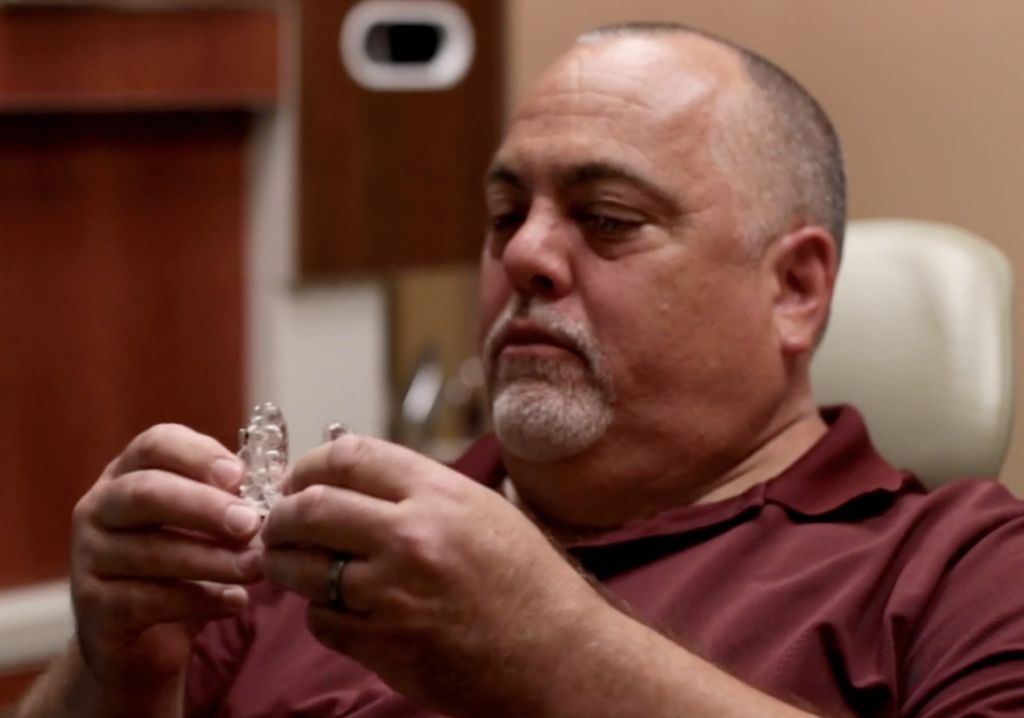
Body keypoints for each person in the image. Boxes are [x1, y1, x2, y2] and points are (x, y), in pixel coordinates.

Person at [13, 21, 1024, 718]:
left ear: (795, 287)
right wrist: (112, 677)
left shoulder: (961, 571)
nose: (523, 256)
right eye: (504, 216)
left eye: (606, 218)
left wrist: (551, 652)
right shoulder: (346, 536)